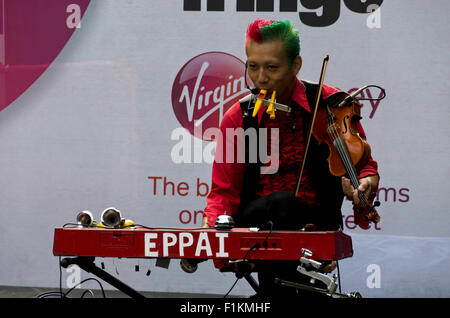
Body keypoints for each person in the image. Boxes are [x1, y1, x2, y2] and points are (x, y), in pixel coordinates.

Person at [201, 19, 379, 296]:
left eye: (272, 67)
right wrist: (212, 236)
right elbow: (224, 191)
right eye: (253, 66)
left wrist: (365, 182)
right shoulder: (240, 117)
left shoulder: (329, 107)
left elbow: (363, 163)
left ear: (295, 65)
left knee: (289, 211)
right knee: (282, 203)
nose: (260, 78)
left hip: (317, 226)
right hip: (258, 228)